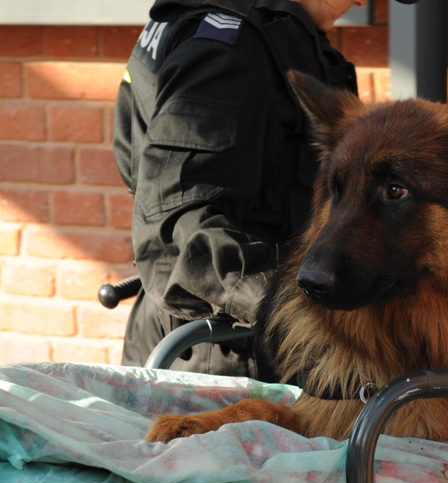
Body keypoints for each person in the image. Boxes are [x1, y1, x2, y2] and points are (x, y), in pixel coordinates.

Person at [114, 0, 414, 381]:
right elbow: (176, 223)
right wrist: (300, 313)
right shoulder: (230, 47)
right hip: (221, 358)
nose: (361, 2)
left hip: (266, 343)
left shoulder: (269, 32)